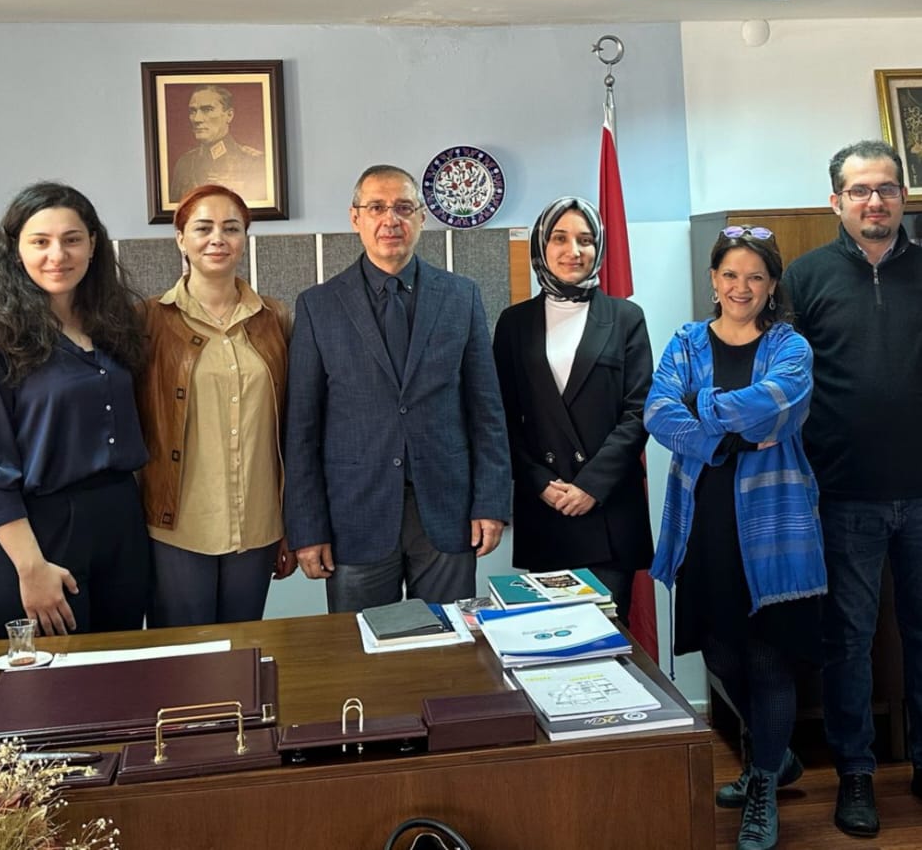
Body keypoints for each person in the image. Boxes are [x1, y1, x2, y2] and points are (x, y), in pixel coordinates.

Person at [780, 140, 922, 836]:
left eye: (887, 189)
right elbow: (790, 377)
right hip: (843, 491)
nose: (875, 201)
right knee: (849, 640)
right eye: (861, 190)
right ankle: (856, 774)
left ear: (903, 199)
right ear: (836, 200)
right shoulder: (805, 276)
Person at [646, 226, 825, 850]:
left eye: (755, 277)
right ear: (713, 280)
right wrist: (728, 433)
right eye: (730, 275)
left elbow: (781, 406)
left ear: (772, 285)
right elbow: (658, 411)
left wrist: (702, 404)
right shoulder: (686, 341)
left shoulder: (789, 346)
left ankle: (763, 784)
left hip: (775, 522)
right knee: (721, 653)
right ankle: (773, 755)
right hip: (704, 520)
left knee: (769, 657)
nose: (741, 287)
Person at [284, 164, 510, 613]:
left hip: (447, 511)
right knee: (361, 647)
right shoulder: (318, 306)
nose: (391, 219)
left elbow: (487, 412)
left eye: (404, 207)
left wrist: (491, 502)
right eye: (377, 207)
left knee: (450, 642)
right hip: (355, 516)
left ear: (422, 218)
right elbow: (302, 429)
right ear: (355, 218)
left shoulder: (461, 296)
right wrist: (307, 528)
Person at [0, 182, 151, 638]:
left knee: (121, 671)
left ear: (93, 245)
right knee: (53, 679)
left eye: (72, 239)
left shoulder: (116, 325)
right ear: (15, 249)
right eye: (40, 241)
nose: (57, 255)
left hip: (121, 524)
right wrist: (31, 568)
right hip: (41, 534)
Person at [137, 184, 295, 627]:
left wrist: (292, 522)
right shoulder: (147, 320)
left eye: (231, 228)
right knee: (183, 655)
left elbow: (293, 426)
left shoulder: (275, 318)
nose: (217, 239)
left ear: (244, 238)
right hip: (177, 526)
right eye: (203, 228)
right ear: (180, 238)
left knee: (243, 649)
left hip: (258, 524)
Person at [491, 197, 652, 624]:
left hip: (607, 506)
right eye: (560, 239)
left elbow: (639, 411)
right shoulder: (514, 323)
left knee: (607, 639)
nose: (573, 251)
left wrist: (591, 486)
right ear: (541, 245)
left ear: (599, 247)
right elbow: (500, 417)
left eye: (585, 240)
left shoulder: (626, 317)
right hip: (545, 505)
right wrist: (539, 482)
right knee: (551, 639)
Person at [169, 85, 265, 203]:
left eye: (207, 109)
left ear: (229, 115)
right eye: (193, 111)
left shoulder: (254, 161)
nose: (197, 119)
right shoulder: (184, 163)